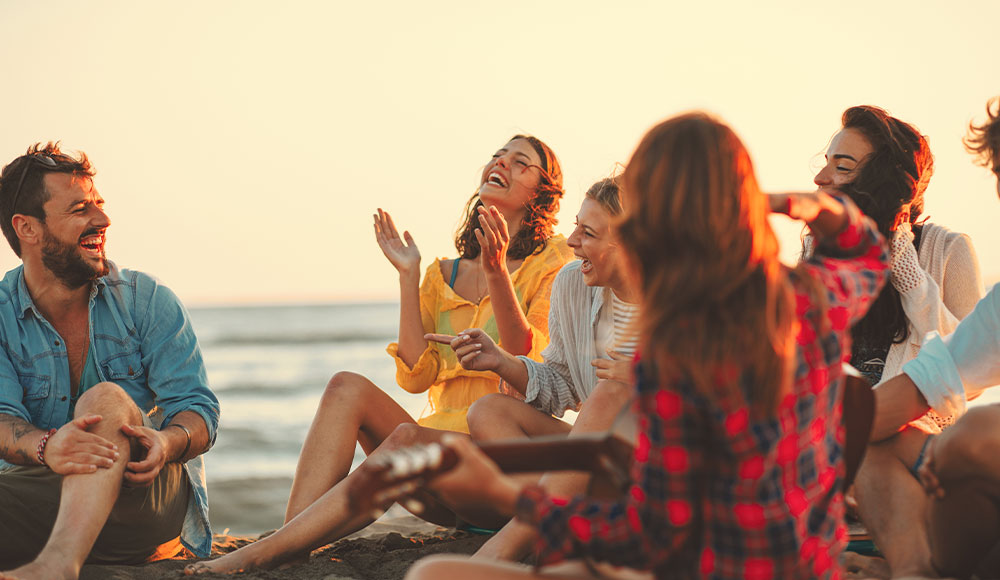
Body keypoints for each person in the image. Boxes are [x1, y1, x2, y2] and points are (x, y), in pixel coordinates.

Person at [398, 113, 890, 579]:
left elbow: (649, 529)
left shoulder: (672, 356)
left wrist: (503, 494)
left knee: (432, 573)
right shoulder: (811, 298)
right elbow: (864, 246)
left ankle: (502, 549)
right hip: (802, 565)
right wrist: (789, 203)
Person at [186, 134, 571, 575]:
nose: (501, 163)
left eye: (520, 162)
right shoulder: (441, 275)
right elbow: (415, 377)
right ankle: (289, 542)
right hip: (441, 478)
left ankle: (265, 551)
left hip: (499, 474)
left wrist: (497, 269)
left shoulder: (553, 263)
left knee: (406, 440)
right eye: (497, 156)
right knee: (345, 386)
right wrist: (408, 276)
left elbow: (525, 355)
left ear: (542, 194)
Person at [0, 143, 220, 580]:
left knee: (106, 400)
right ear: (27, 228)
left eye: (98, 204)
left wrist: (166, 442)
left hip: (140, 500)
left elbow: (197, 410)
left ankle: (60, 564)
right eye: (81, 208)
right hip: (41, 500)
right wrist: (48, 447)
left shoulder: (146, 300)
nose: (103, 219)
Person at [428, 176, 640, 562]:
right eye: (576, 225)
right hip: (597, 462)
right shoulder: (573, 284)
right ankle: (582, 516)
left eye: (588, 233)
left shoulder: (686, 303)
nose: (572, 241)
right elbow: (561, 385)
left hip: (662, 466)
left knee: (610, 394)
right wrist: (501, 360)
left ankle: (515, 541)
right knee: (489, 411)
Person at [854, 96, 1000, 579]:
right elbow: (924, 382)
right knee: (881, 440)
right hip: (908, 455)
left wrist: (910, 276)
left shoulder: (945, 248)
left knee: (970, 438)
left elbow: (958, 392)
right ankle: (915, 571)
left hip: (965, 441)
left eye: (843, 166)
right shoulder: (820, 260)